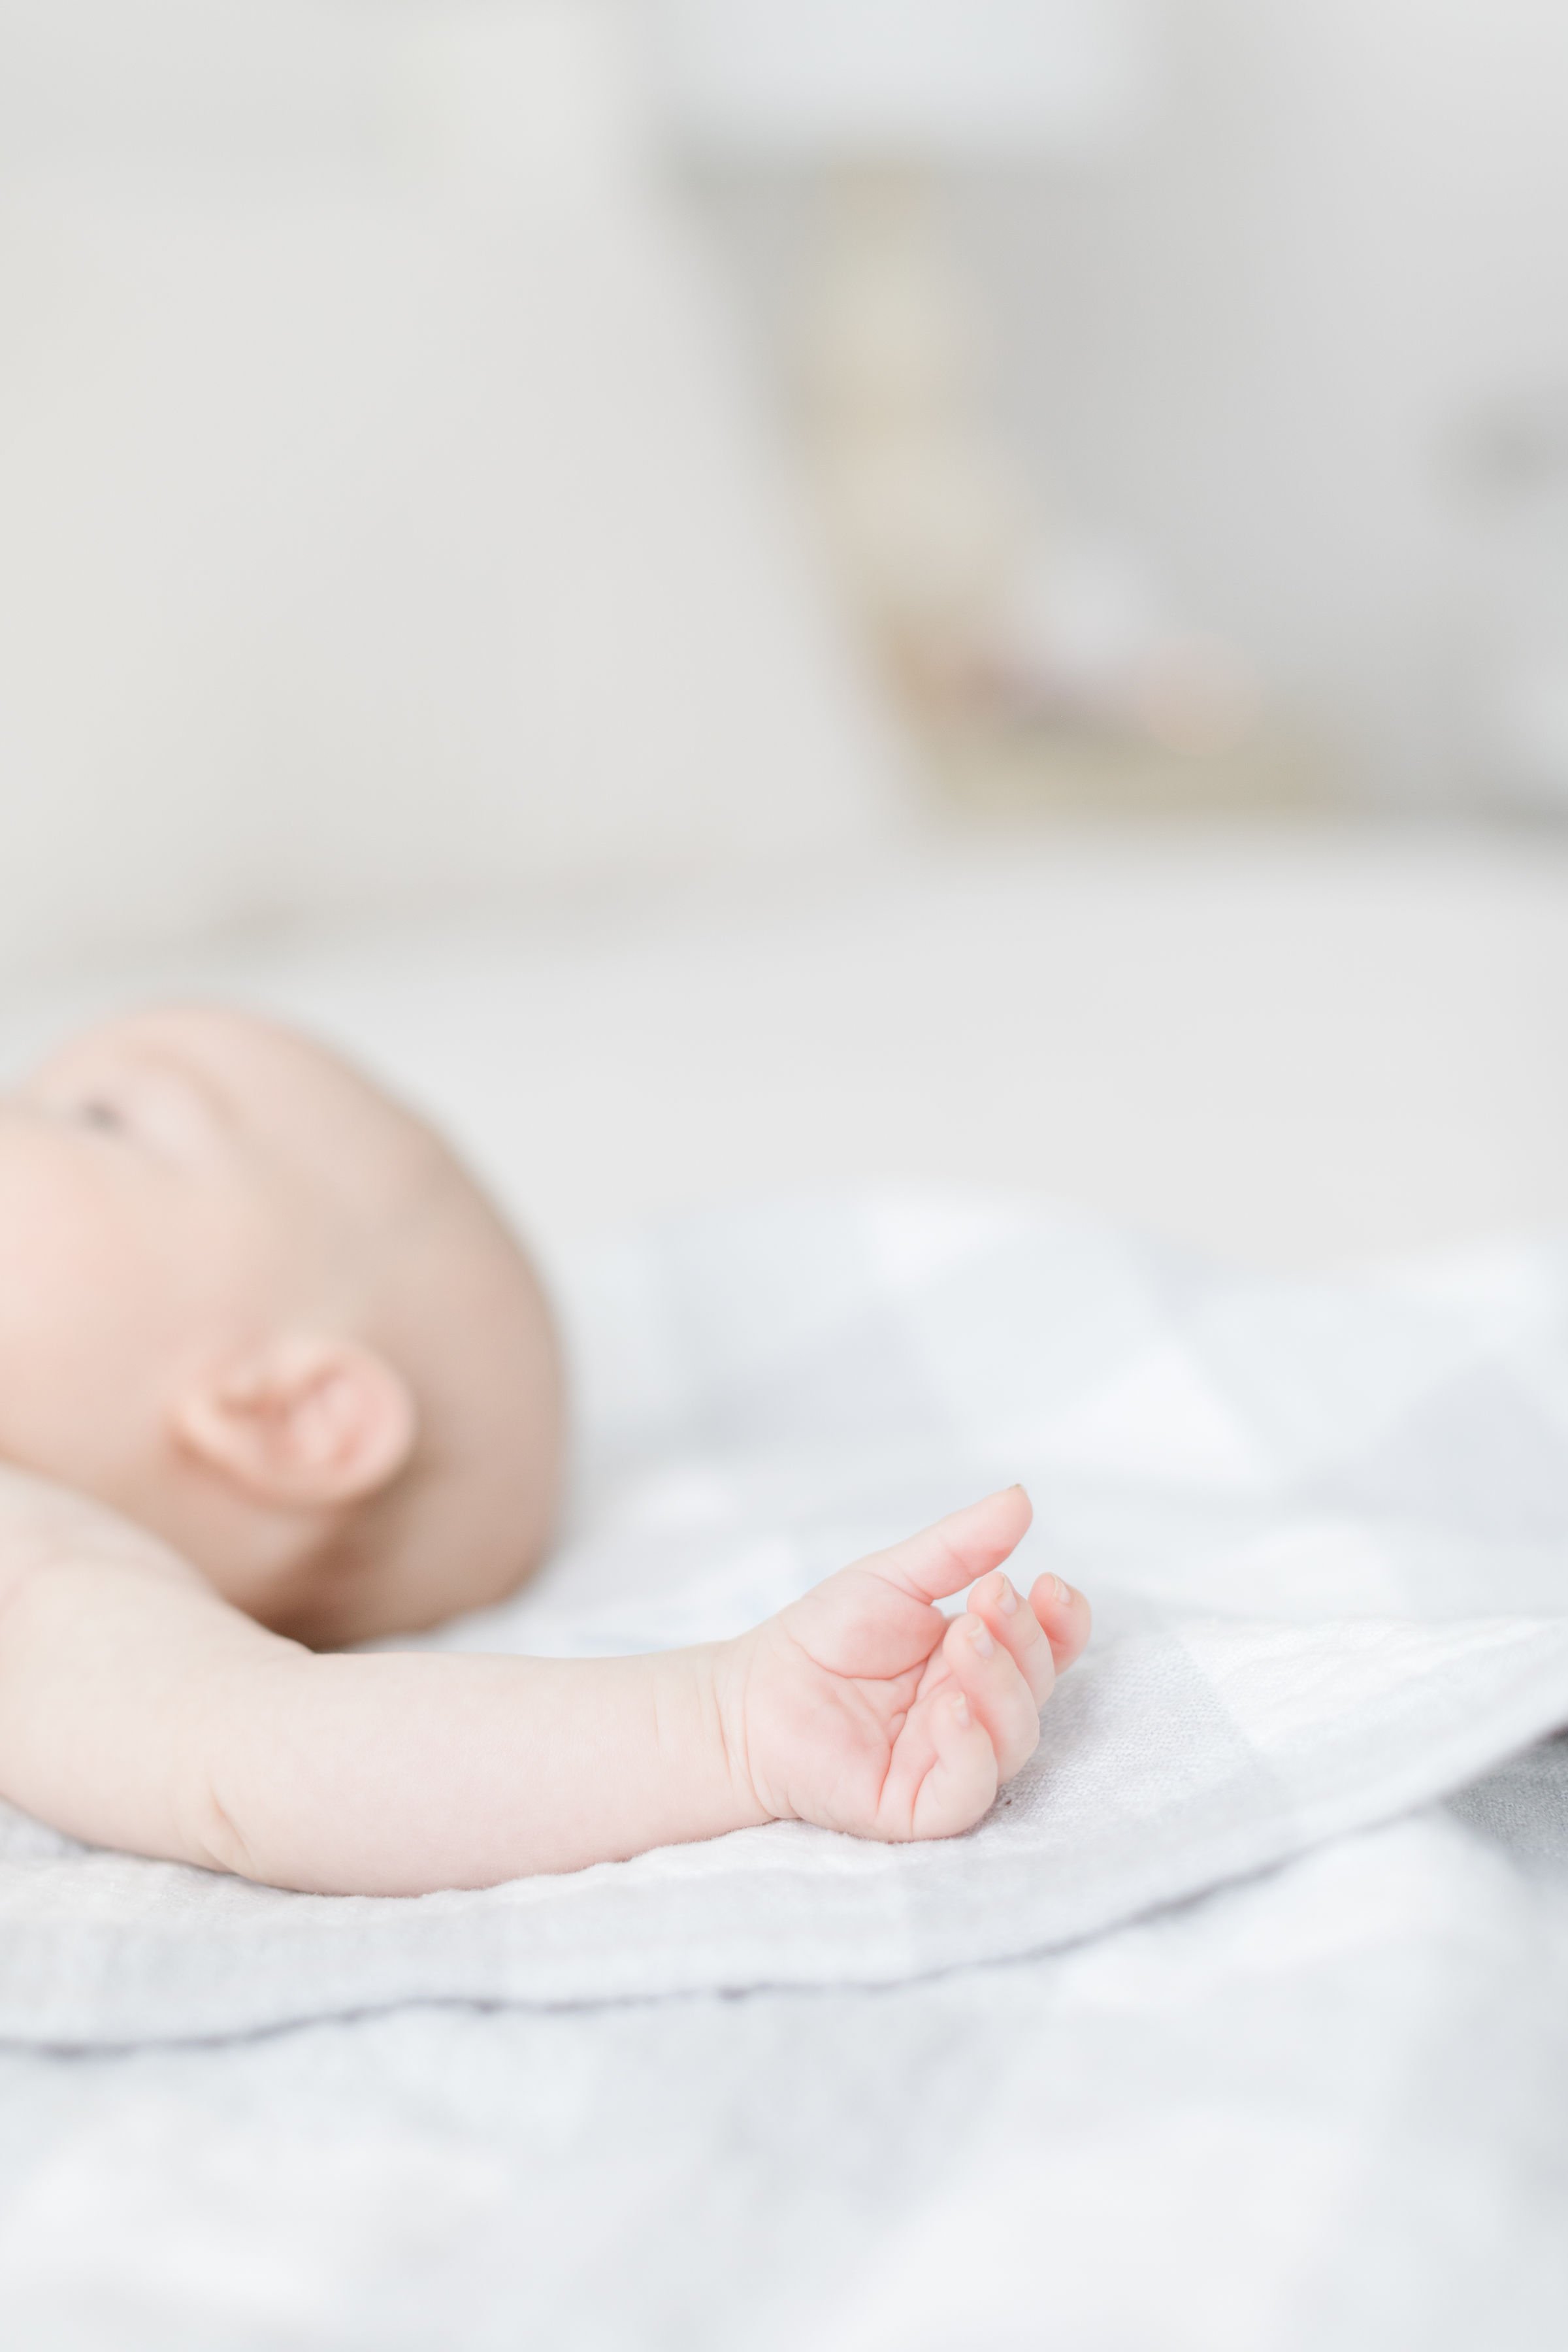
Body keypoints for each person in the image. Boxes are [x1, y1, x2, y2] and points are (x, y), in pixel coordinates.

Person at [0, 1007, 1089, 1895]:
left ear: (285, 1417)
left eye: (97, 1116)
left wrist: (721, 1725)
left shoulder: (44, 1571)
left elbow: (259, 1758)